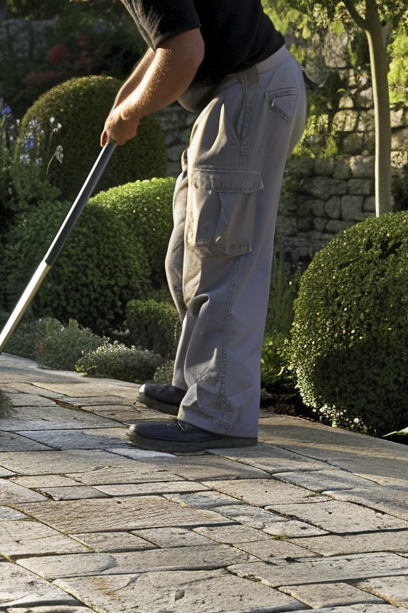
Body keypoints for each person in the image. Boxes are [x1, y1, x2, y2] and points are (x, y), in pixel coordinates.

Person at [103, 0, 307, 453]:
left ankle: (218, 413)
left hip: (251, 92)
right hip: (233, 95)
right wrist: (127, 98)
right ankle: (196, 385)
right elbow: (169, 42)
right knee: (186, 253)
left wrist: (131, 113)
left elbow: (185, 54)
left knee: (224, 258)